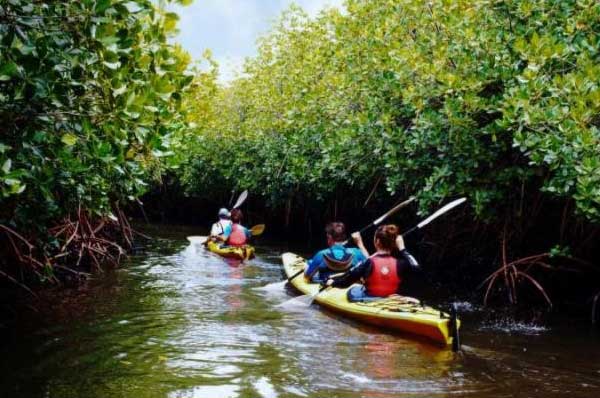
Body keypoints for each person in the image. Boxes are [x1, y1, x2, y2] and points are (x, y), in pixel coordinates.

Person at [326, 224, 419, 302]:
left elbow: (347, 281)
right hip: (389, 298)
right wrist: (403, 249)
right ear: (394, 244)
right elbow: (416, 267)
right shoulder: (400, 263)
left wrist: (334, 283)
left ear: (377, 242)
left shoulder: (369, 262)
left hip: (370, 298)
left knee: (353, 290)